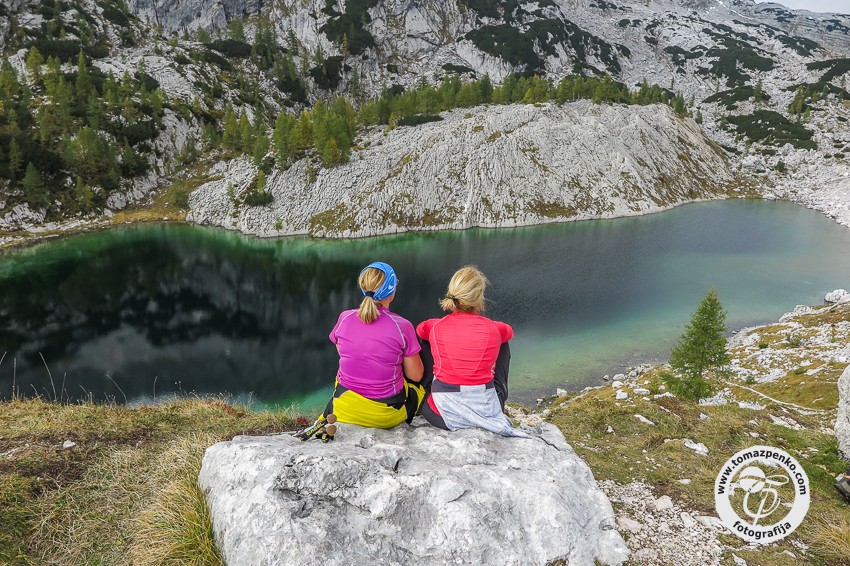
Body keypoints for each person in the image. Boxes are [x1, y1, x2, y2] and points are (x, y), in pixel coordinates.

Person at [416, 266, 528, 437]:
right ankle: (498, 398)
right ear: (479, 297)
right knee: (503, 344)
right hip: (486, 411)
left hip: (442, 414)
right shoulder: (494, 328)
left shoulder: (435, 326)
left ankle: (428, 390)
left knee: (425, 341)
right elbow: (509, 332)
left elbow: (419, 330)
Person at [319, 261, 426, 430]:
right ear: (392, 290)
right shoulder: (402, 326)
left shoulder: (345, 318)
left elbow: (342, 352)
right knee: (422, 358)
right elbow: (416, 376)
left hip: (345, 408)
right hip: (385, 415)